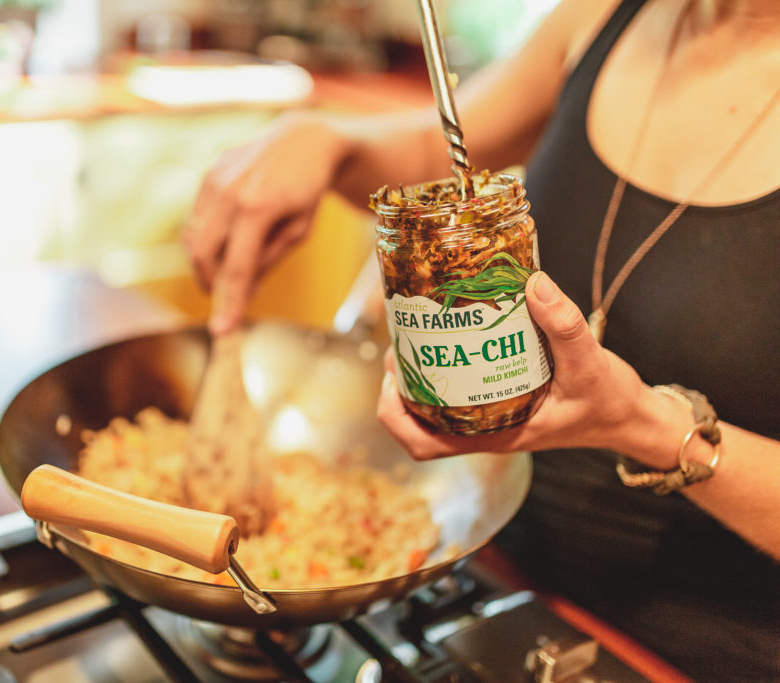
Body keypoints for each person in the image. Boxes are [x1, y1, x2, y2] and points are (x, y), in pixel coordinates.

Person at [183, 0, 780, 679]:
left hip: (701, 652)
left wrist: (650, 427)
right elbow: (431, 155)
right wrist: (326, 143)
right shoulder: (609, 15)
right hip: (500, 597)